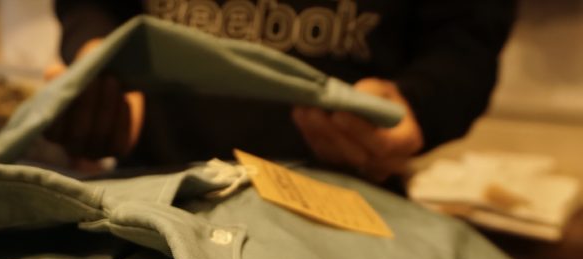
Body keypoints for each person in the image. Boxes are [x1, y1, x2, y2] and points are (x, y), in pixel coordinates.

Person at [45, 0, 515, 181]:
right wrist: (96, 55)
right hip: (152, 186)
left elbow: (466, 39)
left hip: (346, 202)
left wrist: (419, 104)